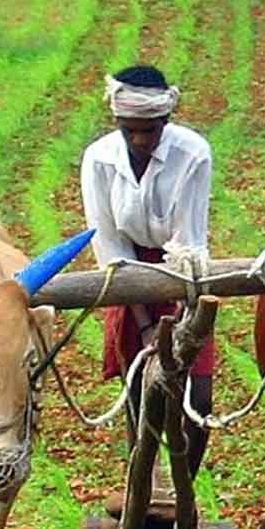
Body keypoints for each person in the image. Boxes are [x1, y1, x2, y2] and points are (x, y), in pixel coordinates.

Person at [80, 64, 214, 479]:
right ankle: (144, 483)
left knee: (199, 399)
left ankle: (183, 487)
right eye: (130, 130)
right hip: (128, 276)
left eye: (150, 130)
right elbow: (110, 245)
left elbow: (188, 242)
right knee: (140, 390)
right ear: (117, 123)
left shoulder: (193, 153)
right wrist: (144, 326)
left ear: (166, 120)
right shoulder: (99, 159)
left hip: (182, 276)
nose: (139, 140)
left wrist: (180, 325)